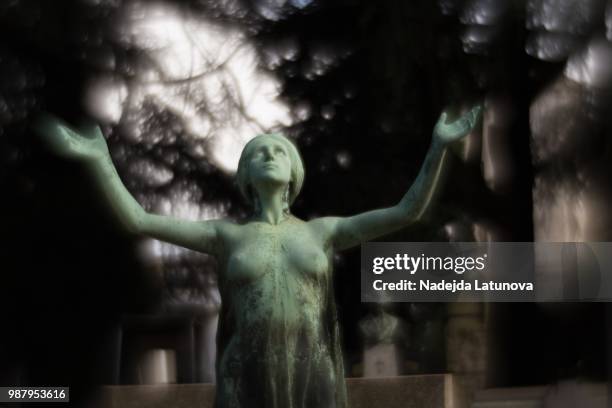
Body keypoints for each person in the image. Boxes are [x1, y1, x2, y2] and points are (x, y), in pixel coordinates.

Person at [35, 105, 481, 408]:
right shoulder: (225, 234)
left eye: (278, 151)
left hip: (312, 370)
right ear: (246, 176)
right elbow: (137, 220)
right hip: (245, 373)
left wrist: (438, 147)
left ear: (292, 174)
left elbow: (408, 210)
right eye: (258, 154)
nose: (269, 155)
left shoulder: (323, 232)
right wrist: (99, 160)